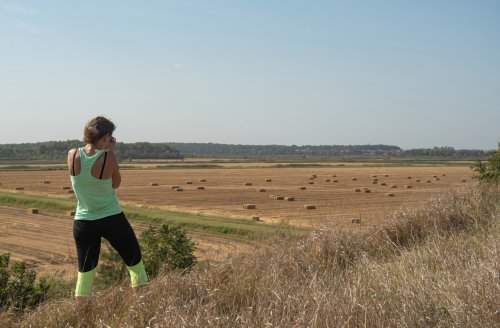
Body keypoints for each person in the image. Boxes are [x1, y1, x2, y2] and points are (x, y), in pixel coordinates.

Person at [67, 116, 148, 297]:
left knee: (85, 275)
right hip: (111, 218)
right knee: (135, 263)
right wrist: (110, 152)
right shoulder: (108, 156)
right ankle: (143, 308)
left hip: (83, 222)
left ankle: (81, 319)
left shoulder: (72, 154)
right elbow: (115, 183)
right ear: (106, 137)